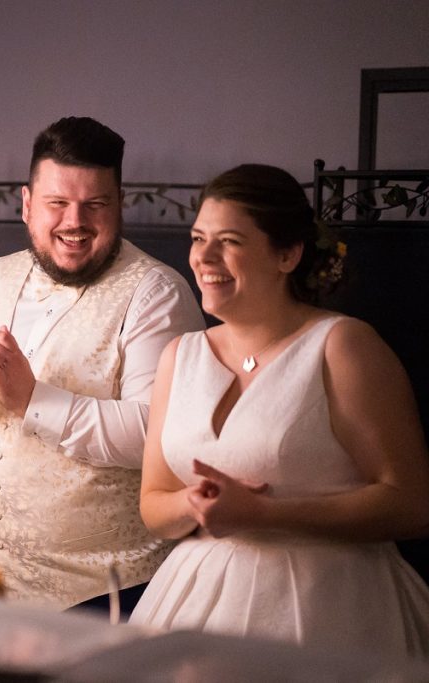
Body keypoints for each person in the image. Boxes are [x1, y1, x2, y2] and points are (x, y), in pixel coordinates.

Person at [129, 164, 429, 658]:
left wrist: (266, 514)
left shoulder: (342, 346)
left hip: (327, 607)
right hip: (194, 598)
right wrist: (196, 503)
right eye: (198, 237)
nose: (203, 257)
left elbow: (411, 504)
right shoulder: (179, 355)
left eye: (228, 241)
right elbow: (154, 504)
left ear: (287, 254)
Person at [0, 116, 205, 610]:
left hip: (112, 594)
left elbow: (161, 435)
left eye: (95, 205)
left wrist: (32, 400)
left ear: (120, 207)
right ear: (27, 205)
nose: (75, 221)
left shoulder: (157, 293)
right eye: (57, 203)